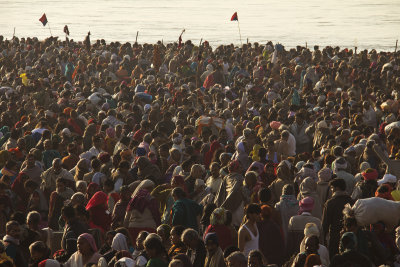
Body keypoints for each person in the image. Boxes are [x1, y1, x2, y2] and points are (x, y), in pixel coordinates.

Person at [322, 178, 354, 258]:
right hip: (350, 237)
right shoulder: (351, 201)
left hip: (335, 238)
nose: (331, 190)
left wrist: (323, 240)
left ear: (336, 188)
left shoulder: (330, 203)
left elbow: (325, 224)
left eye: (332, 188)